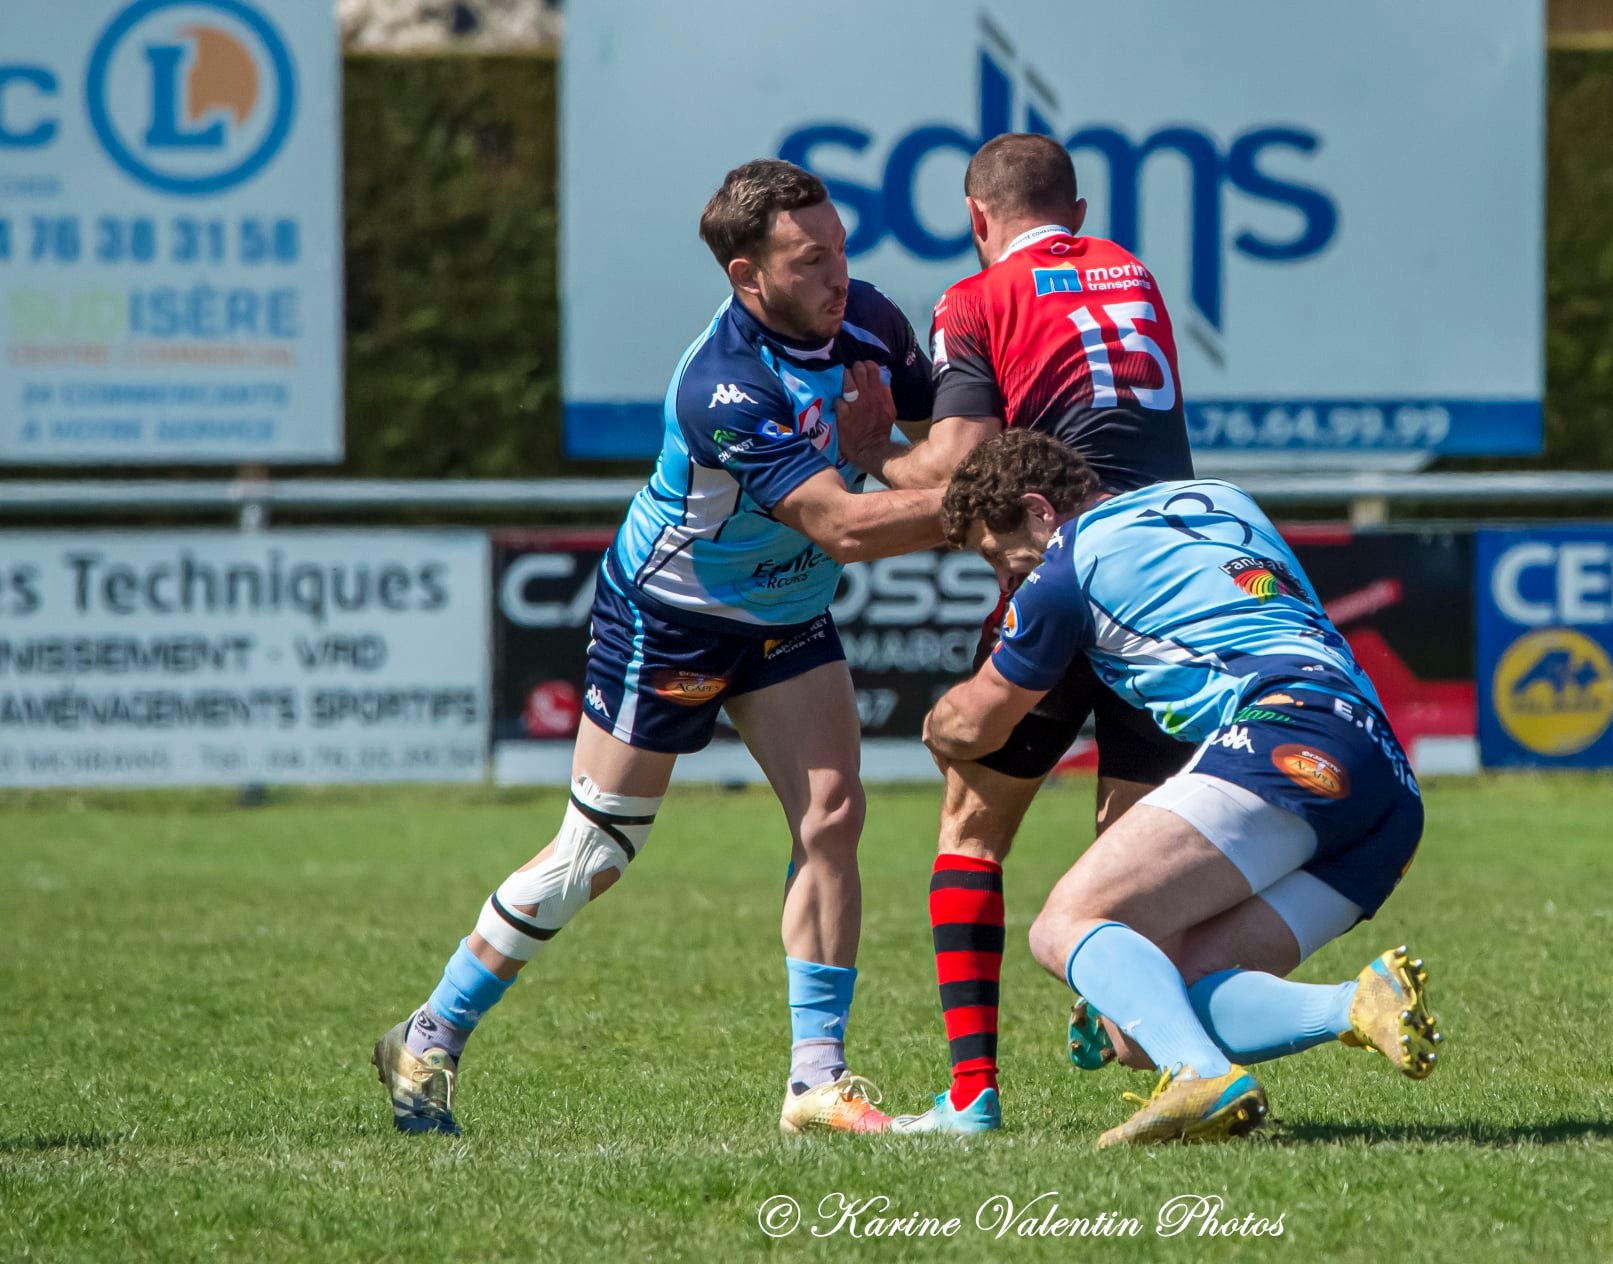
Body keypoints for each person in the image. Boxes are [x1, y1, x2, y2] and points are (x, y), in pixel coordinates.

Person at [372, 160, 946, 1137]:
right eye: (810, 260)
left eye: (842, 248)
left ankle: (815, 1079)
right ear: (745, 275)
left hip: (789, 614)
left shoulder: (875, 323)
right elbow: (846, 526)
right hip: (671, 616)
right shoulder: (722, 385)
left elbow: (929, 453)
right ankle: (430, 1027)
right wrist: (983, 510)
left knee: (833, 815)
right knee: (596, 851)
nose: (839, 274)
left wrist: (906, 453)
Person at [921, 431, 1440, 1147]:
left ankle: (1201, 1073)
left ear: (1039, 512)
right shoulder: (1228, 501)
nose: (1006, 577)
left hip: (1285, 731)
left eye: (997, 556)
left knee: (1062, 924)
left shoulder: (1065, 565)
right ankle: (1355, 1005)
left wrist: (938, 727)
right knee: (1147, 1020)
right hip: (1388, 784)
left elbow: (980, 721)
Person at [833, 133, 1198, 1135]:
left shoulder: (975, 296)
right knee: (1128, 855)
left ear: (975, 218)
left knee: (970, 829)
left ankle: (971, 1095)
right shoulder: (1136, 273)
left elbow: (958, 463)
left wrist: (873, 454)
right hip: (1169, 577)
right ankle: (1156, 1049)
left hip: (1066, 566)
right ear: (1074, 215)